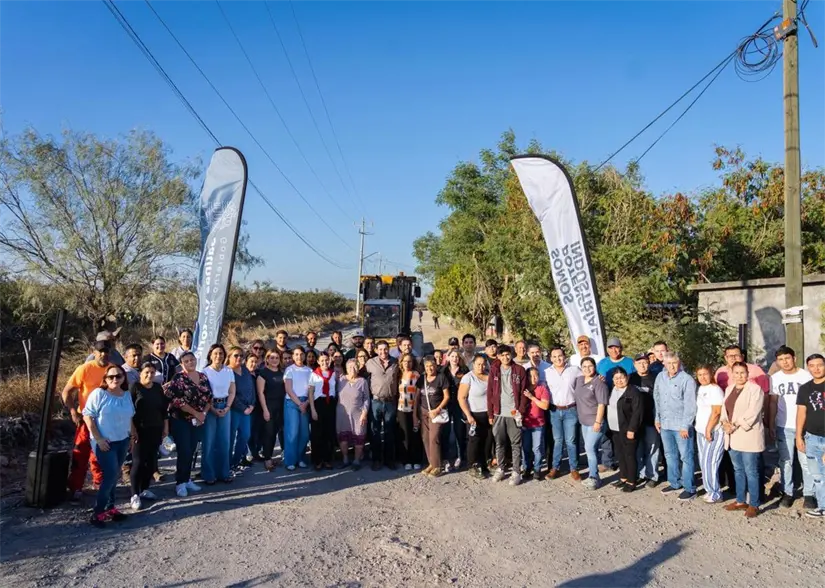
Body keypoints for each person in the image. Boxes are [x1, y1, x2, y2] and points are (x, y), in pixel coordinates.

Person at [82, 364, 134, 527]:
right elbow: (88, 416)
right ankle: (97, 512)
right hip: (105, 442)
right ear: (105, 379)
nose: (115, 379)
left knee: (115, 474)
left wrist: (131, 436)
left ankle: (110, 508)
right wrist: (98, 439)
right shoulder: (99, 394)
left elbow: (129, 417)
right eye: (111, 377)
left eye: (118, 376)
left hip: (122, 440)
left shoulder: (126, 395)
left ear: (123, 377)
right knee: (111, 475)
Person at [63, 341, 112, 501]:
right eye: (100, 352)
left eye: (106, 351)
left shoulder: (113, 370)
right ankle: (75, 487)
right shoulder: (84, 369)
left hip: (105, 421)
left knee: (101, 454)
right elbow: (66, 392)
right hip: (85, 419)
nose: (103, 354)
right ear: (94, 352)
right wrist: (72, 412)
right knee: (80, 453)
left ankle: (100, 484)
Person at [769, 345, 814, 508]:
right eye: (781, 360)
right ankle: (787, 492)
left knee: (806, 461)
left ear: (794, 358)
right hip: (783, 425)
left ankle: (809, 494)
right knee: (785, 461)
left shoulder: (806, 376)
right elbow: (773, 402)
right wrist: (771, 423)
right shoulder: (775, 378)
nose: (785, 362)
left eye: (787, 358)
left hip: (805, 426)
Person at [163, 351, 211, 497]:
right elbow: (177, 401)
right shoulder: (179, 378)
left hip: (198, 420)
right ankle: (180, 482)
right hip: (181, 420)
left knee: (192, 449)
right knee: (184, 451)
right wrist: (196, 413)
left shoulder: (202, 376)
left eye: (192, 360)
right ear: (182, 363)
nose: (190, 363)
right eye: (187, 361)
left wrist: (203, 414)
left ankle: (187, 478)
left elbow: (209, 397)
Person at [721, 362, 765, 518]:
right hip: (732, 436)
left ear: (747, 374)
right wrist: (724, 423)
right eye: (736, 373)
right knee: (738, 470)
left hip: (749, 435)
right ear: (732, 374)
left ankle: (754, 503)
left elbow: (753, 413)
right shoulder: (729, 389)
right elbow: (724, 410)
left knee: (751, 471)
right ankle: (740, 500)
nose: (739, 376)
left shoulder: (755, 390)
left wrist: (734, 424)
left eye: (742, 373)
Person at [655, 352, 698, 500]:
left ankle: (690, 488)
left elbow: (690, 405)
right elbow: (657, 398)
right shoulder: (660, 377)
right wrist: (657, 418)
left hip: (681, 425)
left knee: (686, 457)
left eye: (675, 363)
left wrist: (686, 425)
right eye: (669, 363)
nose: (672, 366)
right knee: (669, 455)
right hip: (665, 424)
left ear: (679, 363)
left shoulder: (687, 380)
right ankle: (674, 483)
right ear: (664, 364)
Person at [129, 362, 168, 511]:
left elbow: (164, 410)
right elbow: (129, 411)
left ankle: (145, 488)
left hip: (156, 428)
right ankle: (134, 494)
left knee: (151, 461)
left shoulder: (158, 388)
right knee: (138, 462)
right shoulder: (135, 387)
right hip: (140, 430)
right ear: (140, 373)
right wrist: (133, 430)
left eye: (152, 372)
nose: (149, 375)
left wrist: (166, 427)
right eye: (146, 372)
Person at [487, 345, 528, 486]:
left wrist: (520, 411)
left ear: (512, 355)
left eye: (507, 354)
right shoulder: (494, 370)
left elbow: (523, 393)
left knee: (515, 444)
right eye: (502, 355)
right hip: (498, 413)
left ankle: (516, 471)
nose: (505, 357)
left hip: (513, 413)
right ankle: (501, 468)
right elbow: (490, 393)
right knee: (499, 443)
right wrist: (490, 413)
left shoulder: (519, 370)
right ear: (498, 356)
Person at [544, 347, 582, 480]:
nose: (557, 359)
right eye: (554, 357)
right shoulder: (547, 372)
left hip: (570, 410)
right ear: (550, 358)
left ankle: (574, 468)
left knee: (571, 441)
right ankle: (555, 468)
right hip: (554, 410)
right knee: (557, 440)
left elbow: (587, 379)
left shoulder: (575, 370)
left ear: (564, 356)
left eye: (559, 356)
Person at [796, 353, 825, 518]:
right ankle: (822, 506)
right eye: (812, 366)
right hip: (811, 438)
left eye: (820, 365)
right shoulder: (805, 388)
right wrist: (798, 436)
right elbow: (801, 413)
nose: (816, 368)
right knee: (817, 475)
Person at [202, 344, 235, 485]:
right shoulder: (204, 372)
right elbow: (203, 393)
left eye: (221, 353)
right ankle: (209, 474)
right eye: (215, 353)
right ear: (210, 355)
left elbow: (232, 390)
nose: (218, 356)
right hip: (210, 407)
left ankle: (224, 472)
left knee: (224, 441)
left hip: (225, 406)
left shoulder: (228, 371)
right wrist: (213, 409)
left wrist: (227, 407)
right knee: (209, 441)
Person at [574, 357, 608, 490]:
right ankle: (594, 476)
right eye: (584, 366)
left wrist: (598, 422)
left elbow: (601, 404)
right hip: (584, 422)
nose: (587, 369)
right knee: (590, 450)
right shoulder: (579, 380)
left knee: (589, 448)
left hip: (596, 422)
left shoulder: (599, 383)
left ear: (595, 367)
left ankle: (594, 477)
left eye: (590, 366)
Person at [365, 341, 400, 470]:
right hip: (376, 401)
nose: (383, 352)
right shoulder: (370, 363)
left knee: (390, 431)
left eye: (385, 349)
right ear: (376, 350)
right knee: (375, 431)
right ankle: (376, 459)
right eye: (380, 349)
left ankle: (389, 460)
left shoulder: (396, 363)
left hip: (390, 401)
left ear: (389, 349)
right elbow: (362, 375)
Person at [608, 367, 643, 492]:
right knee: (620, 455)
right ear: (612, 380)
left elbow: (637, 413)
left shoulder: (633, 392)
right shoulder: (612, 390)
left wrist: (632, 429)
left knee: (629, 455)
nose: (619, 380)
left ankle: (631, 481)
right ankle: (623, 477)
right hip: (615, 429)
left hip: (628, 430)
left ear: (627, 377)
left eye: (622, 377)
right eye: (616, 378)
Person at [695, 365, 725, 503]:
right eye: (700, 374)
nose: (702, 377)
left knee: (710, 462)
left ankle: (715, 493)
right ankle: (709, 490)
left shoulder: (715, 390)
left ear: (711, 374)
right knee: (703, 462)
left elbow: (716, 412)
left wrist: (708, 429)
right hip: (700, 431)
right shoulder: (701, 388)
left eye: (705, 374)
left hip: (713, 431)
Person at [417, 355, 450, 477]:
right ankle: (431, 462)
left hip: (436, 413)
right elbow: (417, 396)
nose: (430, 368)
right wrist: (416, 415)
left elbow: (446, 396)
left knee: (434, 438)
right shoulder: (422, 378)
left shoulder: (441, 378)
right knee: (426, 438)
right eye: (427, 366)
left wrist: (438, 409)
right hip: (424, 411)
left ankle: (437, 466)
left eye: (432, 366)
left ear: (436, 366)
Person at [630, 352, 661, 487]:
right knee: (638, 449)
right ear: (634, 364)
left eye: (645, 362)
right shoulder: (630, 378)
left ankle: (652, 475)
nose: (642, 365)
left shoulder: (656, 379)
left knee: (652, 448)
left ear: (649, 363)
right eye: (639, 363)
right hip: (636, 421)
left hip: (651, 419)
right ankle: (641, 474)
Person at [459, 354, 491, 479]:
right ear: (473, 364)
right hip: (474, 414)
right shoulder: (468, 378)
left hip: (488, 414)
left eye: (483, 364)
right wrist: (468, 415)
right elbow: (461, 398)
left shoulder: (490, 376)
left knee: (487, 441)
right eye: (478, 364)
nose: (481, 366)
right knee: (474, 441)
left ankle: (484, 465)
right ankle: (472, 466)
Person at [337, 359, 371, 469]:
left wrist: (364, 413)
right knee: (343, 438)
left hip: (358, 414)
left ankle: (356, 461)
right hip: (342, 414)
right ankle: (345, 459)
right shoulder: (341, 380)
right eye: (350, 367)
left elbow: (366, 398)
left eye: (355, 366)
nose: (353, 369)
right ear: (346, 369)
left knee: (359, 436)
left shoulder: (362, 381)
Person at [283, 346, 313, 470]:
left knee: (305, 434)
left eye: (301, 354)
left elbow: (312, 389)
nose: (299, 357)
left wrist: (305, 403)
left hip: (305, 402)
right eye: (296, 354)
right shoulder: (289, 370)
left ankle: (300, 458)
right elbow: (289, 389)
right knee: (293, 433)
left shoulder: (309, 371)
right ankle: (290, 460)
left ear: (304, 356)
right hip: (292, 402)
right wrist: (299, 404)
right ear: (293, 356)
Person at [228, 347, 256, 474]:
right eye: (235, 355)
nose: (239, 358)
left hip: (247, 410)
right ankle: (227, 464)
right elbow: (231, 394)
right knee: (230, 438)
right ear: (229, 357)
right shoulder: (228, 371)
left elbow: (251, 389)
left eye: (241, 356)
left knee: (245, 435)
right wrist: (243, 408)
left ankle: (236, 461)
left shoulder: (245, 370)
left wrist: (252, 404)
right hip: (234, 410)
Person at [257, 349, 286, 472]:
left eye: (276, 358)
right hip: (268, 406)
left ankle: (275, 455)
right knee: (269, 433)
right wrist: (265, 410)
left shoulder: (282, 372)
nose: (274, 360)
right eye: (272, 358)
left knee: (277, 432)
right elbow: (260, 393)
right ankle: (267, 458)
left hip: (281, 406)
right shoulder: (263, 373)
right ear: (267, 359)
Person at [309, 353, 338, 470]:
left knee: (329, 432)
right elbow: (310, 393)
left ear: (329, 360)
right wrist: (313, 409)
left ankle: (327, 459)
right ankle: (317, 460)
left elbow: (335, 390)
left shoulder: (333, 374)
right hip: (318, 404)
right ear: (318, 361)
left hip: (330, 404)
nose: (324, 362)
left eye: (326, 360)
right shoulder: (314, 374)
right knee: (317, 434)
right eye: (322, 360)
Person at [440, 349, 468, 471]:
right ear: (448, 357)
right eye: (452, 356)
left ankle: (460, 456)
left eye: (457, 356)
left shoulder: (465, 370)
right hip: (446, 403)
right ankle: (445, 458)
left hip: (459, 404)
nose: (454, 358)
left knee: (459, 431)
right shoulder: (443, 371)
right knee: (445, 431)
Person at [521, 367, 550, 481]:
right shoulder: (523, 389)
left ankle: (537, 469)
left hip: (538, 423)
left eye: (535, 376)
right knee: (526, 448)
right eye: (530, 376)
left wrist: (532, 397)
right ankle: (527, 468)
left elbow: (545, 406)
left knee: (536, 448)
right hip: (525, 423)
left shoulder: (542, 389)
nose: (533, 378)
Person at [397, 353, 421, 470]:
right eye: (405, 361)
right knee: (405, 435)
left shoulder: (416, 375)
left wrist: (416, 413)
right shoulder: (399, 375)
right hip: (402, 409)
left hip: (414, 408)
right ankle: (406, 460)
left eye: (409, 361)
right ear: (401, 363)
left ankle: (416, 459)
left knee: (415, 434)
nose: (407, 363)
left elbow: (417, 395)